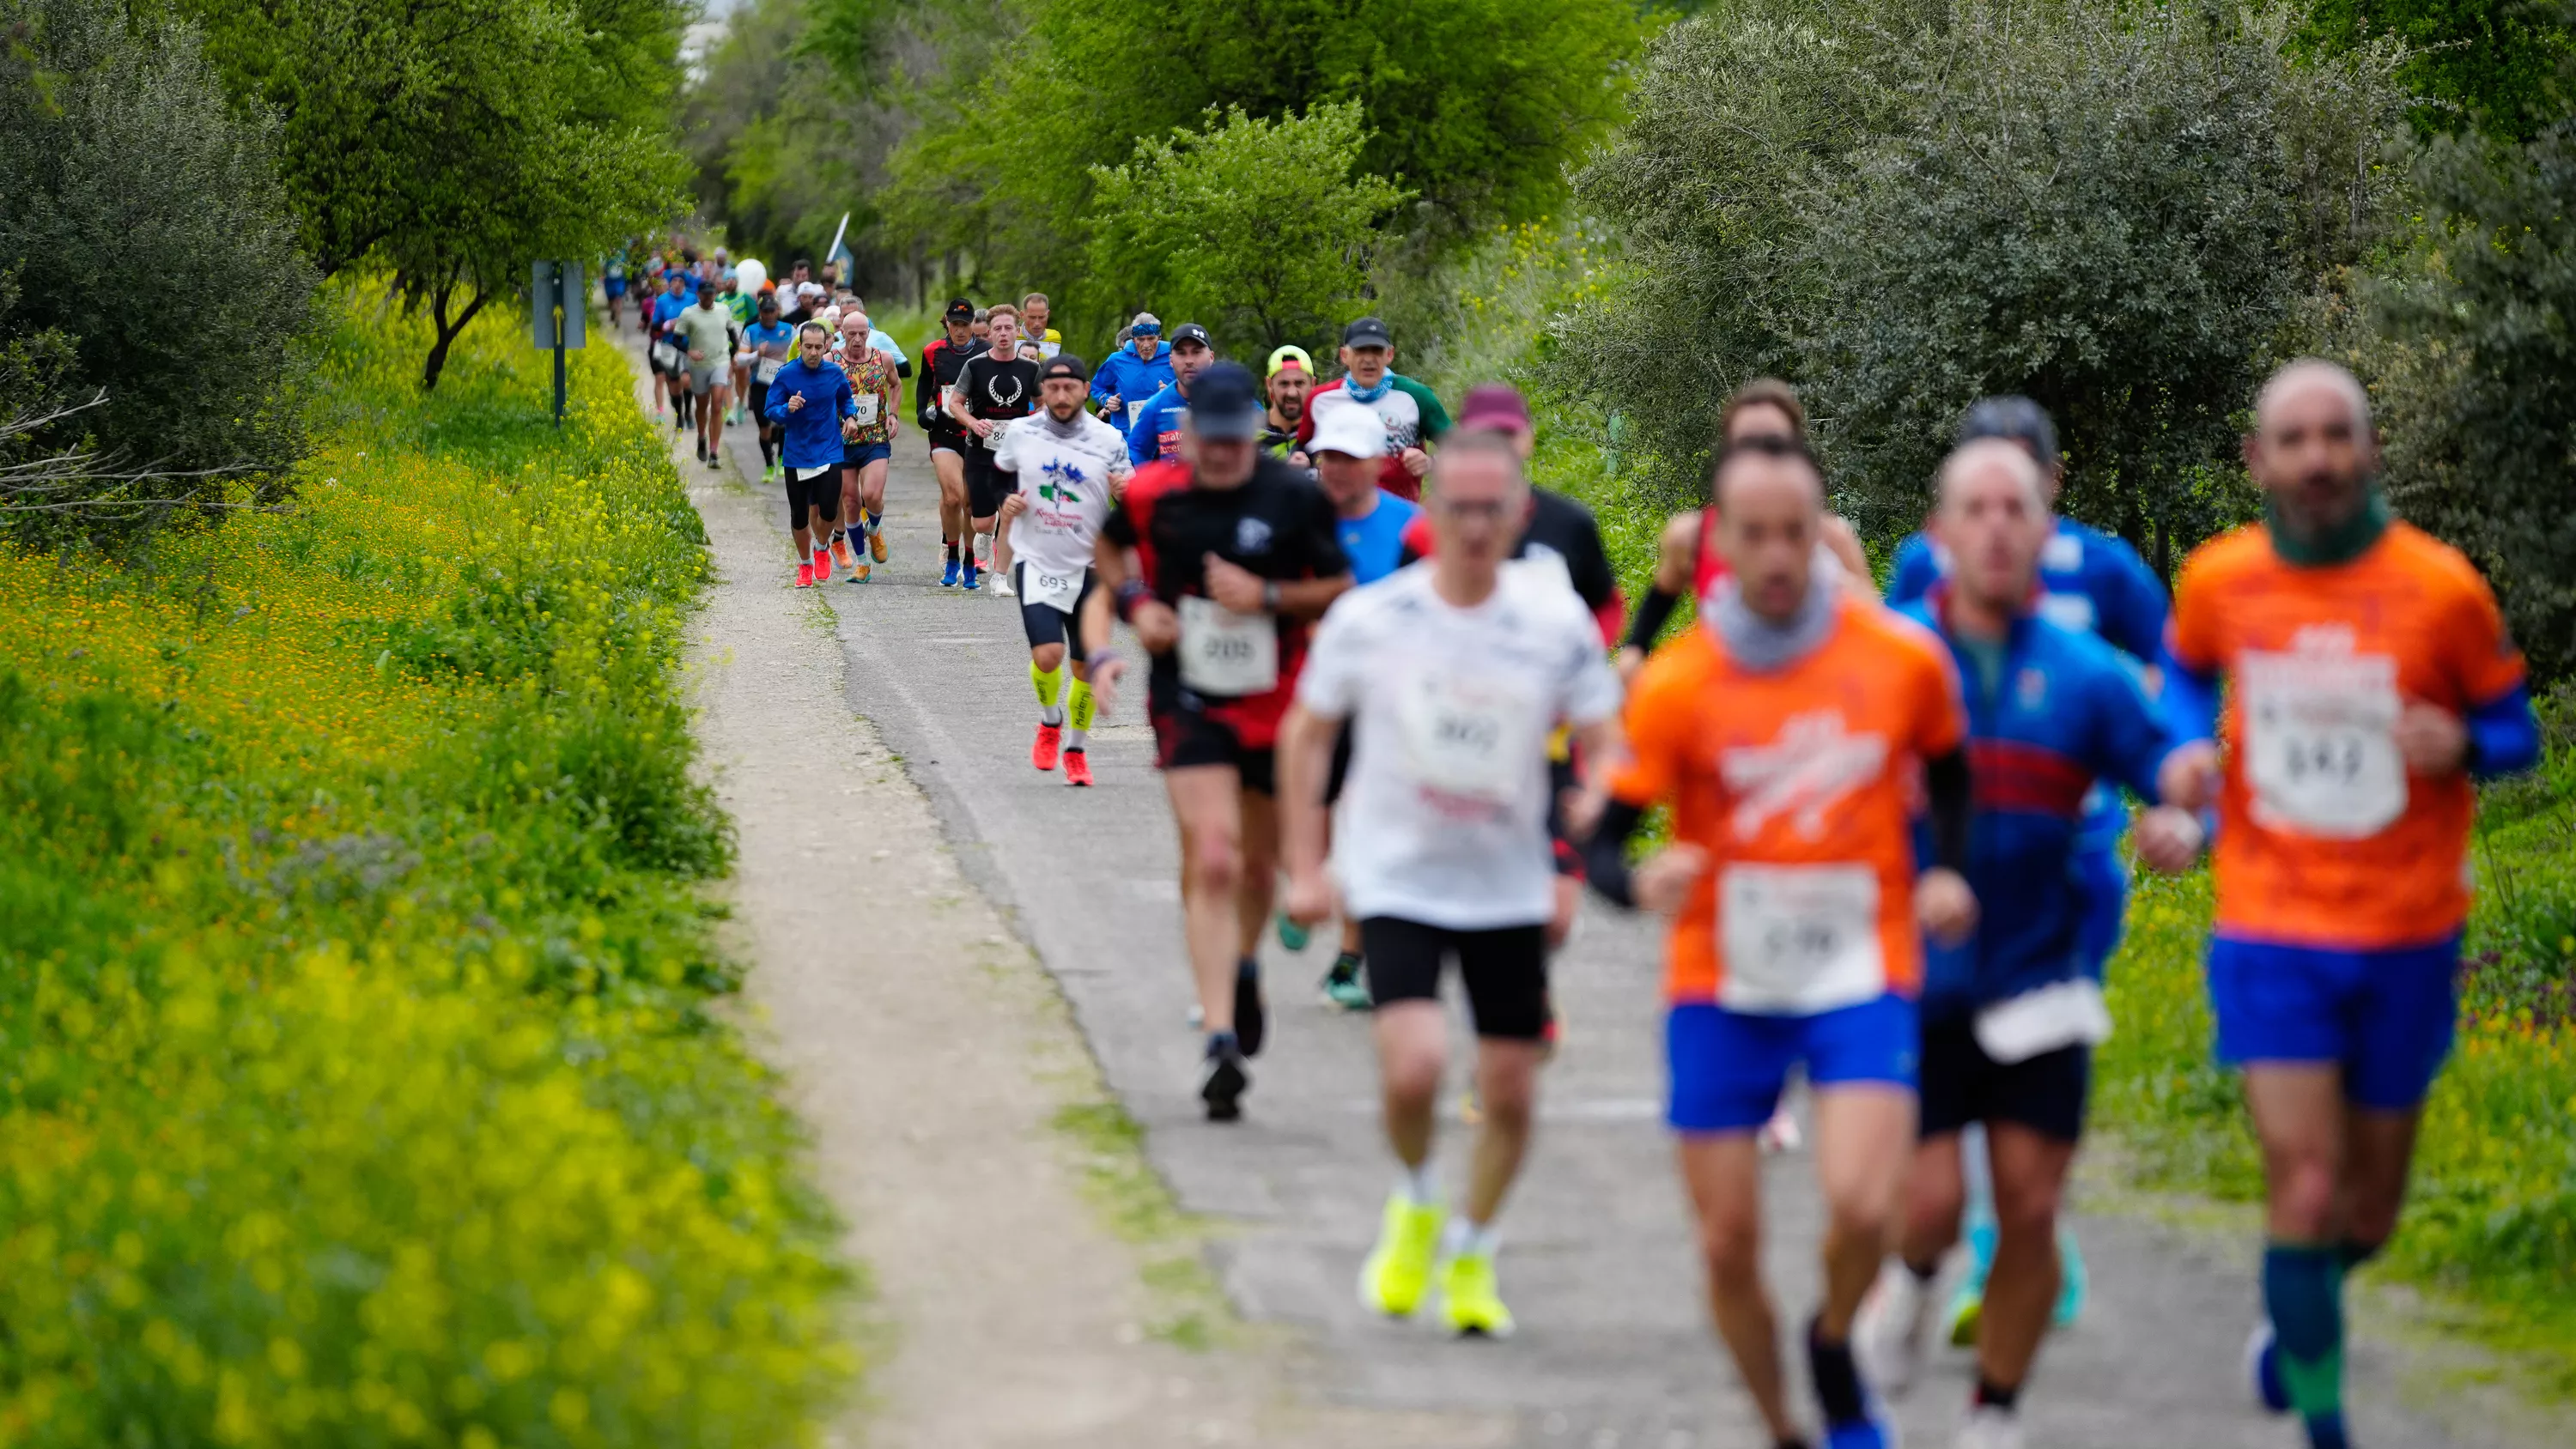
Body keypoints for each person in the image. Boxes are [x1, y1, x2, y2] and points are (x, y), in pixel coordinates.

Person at [2155, 360, 2539, 1449]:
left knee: (2366, 1213)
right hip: (2272, 927)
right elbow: (2182, 673)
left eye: (2336, 434)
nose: (2316, 456)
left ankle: (2293, 1328)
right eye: (2293, 438)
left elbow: (2520, 735)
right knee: (2307, 1182)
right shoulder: (2220, 579)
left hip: (2408, 932)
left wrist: (2463, 741)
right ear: (2258, 460)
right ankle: (2325, 1427)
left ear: (2368, 450)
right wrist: (2183, 742)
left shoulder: (2444, 588)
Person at [1580, 433, 1978, 1449]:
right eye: (1751, 534)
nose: (1774, 554)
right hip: (1723, 975)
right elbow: (1605, 844)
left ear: (1821, 533)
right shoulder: (1680, 681)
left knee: (1865, 1203)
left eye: (1793, 532)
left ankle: (1834, 1338)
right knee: (1726, 1243)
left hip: (1861, 961)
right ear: (1720, 540)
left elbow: (1950, 767)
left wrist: (1942, 866)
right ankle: (1784, 1426)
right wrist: (1638, 881)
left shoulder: (1897, 659)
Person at [1850, 440, 2199, 1448]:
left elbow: (2160, 766)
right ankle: (1912, 1282)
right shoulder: (1893, 655)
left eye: (2017, 508)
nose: (1998, 526)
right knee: (1926, 1204)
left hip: (2045, 962)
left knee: (2031, 1205)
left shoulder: (2086, 671)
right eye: (1977, 508)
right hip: (1918, 972)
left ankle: (1994, 1411)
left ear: (2046, 531)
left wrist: (2181, 818)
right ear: (1939, 533)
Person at [1279, 433, 1624, 1339]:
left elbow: (1607, 745)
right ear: (1431, 512)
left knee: (1509, 1089)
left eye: (1491, 509)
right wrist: (1309, 864)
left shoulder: (1555, 624)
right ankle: (1419, 1196)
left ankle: (1473, 1247)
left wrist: (1588, 836)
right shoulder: (1375, 617)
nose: (1474, 525)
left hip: (1509, 881)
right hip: (1398, 875)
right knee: (1416, 1066)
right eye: (1458, 507)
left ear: (1518, 516)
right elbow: (1307, 734)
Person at [1079, 363, 1353, 1121]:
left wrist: (1265, 596)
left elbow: (1338, 588)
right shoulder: (1151, 493)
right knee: (1215, 854)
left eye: (1240, 442)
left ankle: (1241, 967)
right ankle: (1221, 1041)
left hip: (1275, 700)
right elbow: (1108, 557)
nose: (1228, 456)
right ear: (1191, 434)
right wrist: (1138, 606)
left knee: (1258, 871)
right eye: (1215, 442)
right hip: (1189, 693)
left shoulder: (1293, 495)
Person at [1293, 403, 1424, 1010]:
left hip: (1383, 702)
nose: (1335, 470)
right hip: (1302, 699)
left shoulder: (1414, 528)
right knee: (1310, 827)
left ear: (1378, 462)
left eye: (1348, 458)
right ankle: (1300, 882)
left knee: (1365, 829)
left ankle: (1349, 960)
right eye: (1327, 458)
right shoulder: (1292, 520)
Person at [992, 354, 1133, 786]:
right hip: (1037, 560)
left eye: (1070, 386)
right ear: (1042, 393)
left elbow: (1133, 497)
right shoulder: (1021, 431)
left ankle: (1075, 749)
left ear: (1086, 389)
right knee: (1048, 654)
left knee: (1084, 667)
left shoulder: (1108, 438)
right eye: (1052, 388)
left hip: (1091, 566)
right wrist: (1006, 500)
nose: (1061, 394)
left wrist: (1126, 491)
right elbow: (998, 475)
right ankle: (1050, 722)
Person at [1294, 317, 1450, 503]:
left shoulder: (1416, 397)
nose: (1369, 359)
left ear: (1389, 355)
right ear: (1345, 355)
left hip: (1400, 517)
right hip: (1338, 515)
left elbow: (1461, 451)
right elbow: (1303, 450)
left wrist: (1430, 462)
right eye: (1360, 350)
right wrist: (1299, 464)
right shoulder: (1320, 399)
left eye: (1376, 350)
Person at [947, 305, 1042, 592]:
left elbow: (1043, 407)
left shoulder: (1031, 368)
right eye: (997, 329)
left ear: (1018, 330)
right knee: (983, 521)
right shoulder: (975, 366)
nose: (1003, 334)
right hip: (980, 450)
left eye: (1008, 328)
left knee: (1011, 510)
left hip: (1016, 454)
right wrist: (974, 423)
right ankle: (986, 534)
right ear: (989, 332)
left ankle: (1000, 577)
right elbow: (955, 404)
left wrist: (1026, 424)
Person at [762, 321, 859, 589]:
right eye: (808, 347)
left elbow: (845, 399)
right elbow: (770, 407)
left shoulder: (834, 373)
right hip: (797, 455)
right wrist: (787, 408)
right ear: (799, 346)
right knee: (799, 516)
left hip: (828, 450)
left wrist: (850, 417)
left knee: (828, 511)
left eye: (819, 346)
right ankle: (805, 565)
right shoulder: (787, 374)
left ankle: (821, 547)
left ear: (827, 345)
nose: (814, 352)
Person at [920, 300, 987, 588]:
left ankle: (970, 559)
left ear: (972, 324)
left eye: (965, 324)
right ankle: (952, 557)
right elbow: (924, 384)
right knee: (952, 498)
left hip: (976, 436)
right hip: (944, 432)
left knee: (971, 504)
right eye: (955, 324)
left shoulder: (987, 351)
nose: (960, 330)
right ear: (946, 322)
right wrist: (923, 413)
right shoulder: (933, 351)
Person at [833, 309, 902, 584]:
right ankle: (862, 564)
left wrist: (894, 415)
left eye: (863, 334)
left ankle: (873, 528)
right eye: (852, 334)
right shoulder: (832, 361)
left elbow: (896, 386)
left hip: (874, 439)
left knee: (872, 495)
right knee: (850, 501)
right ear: (842, 335)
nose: (858, 339)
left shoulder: (882, 358)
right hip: (841, 441)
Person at [1125, 323, 1216, 466]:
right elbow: (1136, 451)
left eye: (1197, 352)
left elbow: (1260, 440)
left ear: (1211, 357)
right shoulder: (1156, 406)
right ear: (1171, 360)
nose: (1189, 361)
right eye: (1181, 353)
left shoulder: (1235, 400)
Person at [674, 282, 740, 469]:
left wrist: (733, 356)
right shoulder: (688, 313)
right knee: (702, 406)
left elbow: (732, 334)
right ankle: (702, 436)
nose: (709, 298)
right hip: (699, 364)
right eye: (705, 295)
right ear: (698, 295)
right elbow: (676, 339)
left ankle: (713, 452)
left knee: (717, 404)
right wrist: (690, 351)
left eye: (711, 294)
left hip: (720, 361)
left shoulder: (723, 310)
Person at [743, 294, 797, 485]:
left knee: (784, 421)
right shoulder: (751, 330)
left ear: (778, 311)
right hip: (760, 384)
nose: (769, 315)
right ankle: (769, 464)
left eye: (772, 310)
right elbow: (739, 360)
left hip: (783, 383)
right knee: (765, 427)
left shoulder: (788, 329)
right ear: (760, 313)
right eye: (765, 311)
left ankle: (782, 458)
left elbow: (798, 354)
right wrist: (758, 354)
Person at [1089, 312, 1176, 431]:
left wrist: (1172, 393)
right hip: (1126, 435)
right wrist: (1107, 400)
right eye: (1141, 339)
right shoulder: (1116, 360)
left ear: (1159, 338)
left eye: (1151, 338)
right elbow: (1097, 387)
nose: (1146, 345)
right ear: (1134, 340)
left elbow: (1191, 390)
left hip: (1165, 433)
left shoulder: (1174, 357)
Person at [648, 270, 693, 427]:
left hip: (687, 346)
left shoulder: (692, 299)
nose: (678, 284)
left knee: (686, 380)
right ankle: (679, 416)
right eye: (675, 281)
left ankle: (688, 413)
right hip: (668, 346)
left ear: (685, 283)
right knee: (673, 385)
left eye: (681, 281)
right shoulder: (662, 300)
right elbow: (654, 325)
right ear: (670, 283)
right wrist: (667, 325)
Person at [1261, 346, 1315, 463]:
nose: (1292, 393)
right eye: (1284, 384)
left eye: (1299, 383)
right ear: (1269, 385)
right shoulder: (1249, 436)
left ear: (1312, 384)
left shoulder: (1324, 433)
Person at [1021, 292, 1062, 360]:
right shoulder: (1011, 337)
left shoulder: (1055, 337)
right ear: (1022, 315)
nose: (1037, 323)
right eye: (1032, 317)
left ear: (1048, 314)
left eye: (1041, 317)